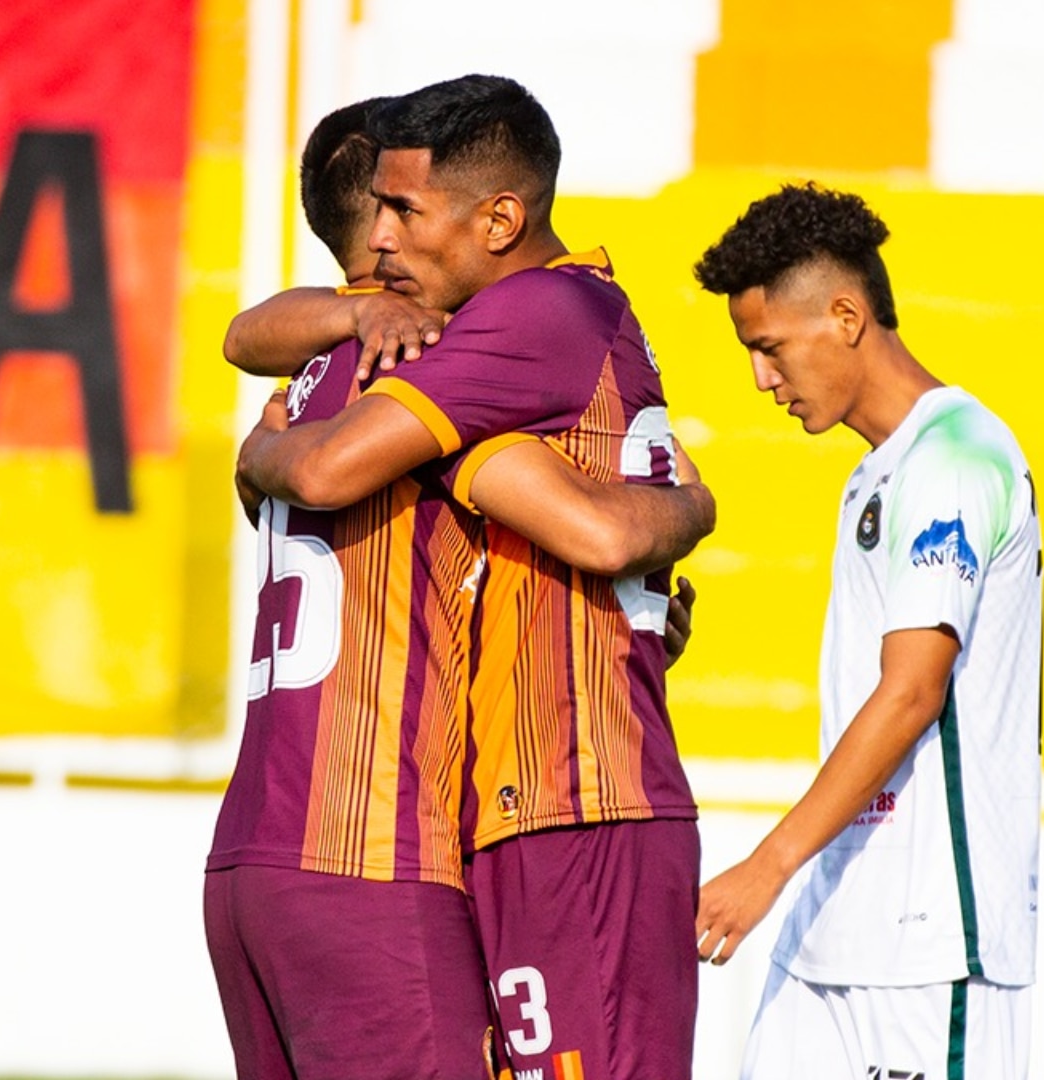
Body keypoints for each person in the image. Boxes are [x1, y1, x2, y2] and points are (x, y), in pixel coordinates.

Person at [204, 97, 712, 1080]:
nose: (398, 230)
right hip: (377, 847)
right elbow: (595, 527)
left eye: (412, 207)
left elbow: (242, 341)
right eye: (391, 208)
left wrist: (259, 448)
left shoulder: (301, 385)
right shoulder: (452, 347)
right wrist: (691, 512)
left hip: (251, 861)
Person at [690, 183, 1042, 1080]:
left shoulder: (958, 455)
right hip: (835, 929)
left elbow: (914, 689)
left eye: (769, 350)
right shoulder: (878, 472)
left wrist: (766, 866)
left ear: (845, 316)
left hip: (930, 948)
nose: (761, 381)